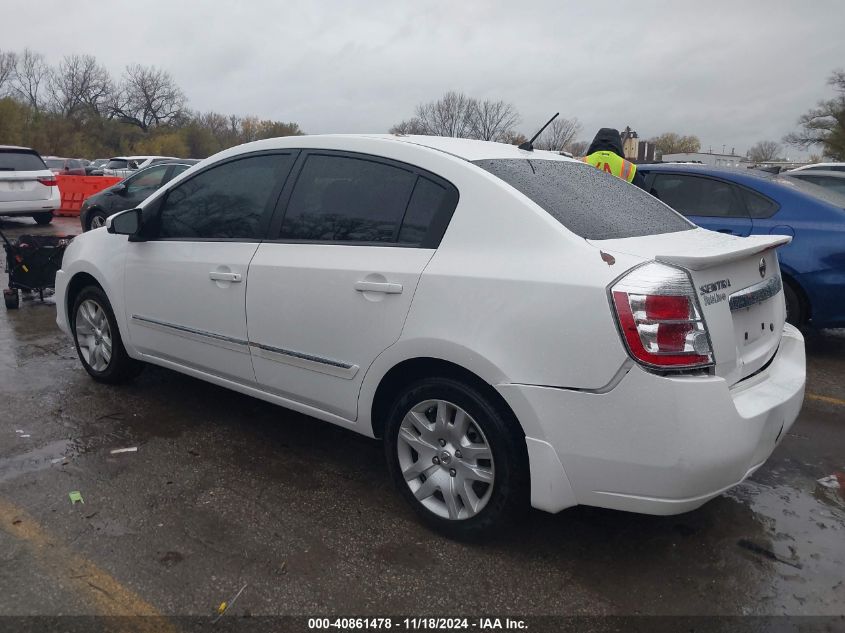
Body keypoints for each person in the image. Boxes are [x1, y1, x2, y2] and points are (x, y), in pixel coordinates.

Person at [582, 128, 646, 189]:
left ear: (595, 142)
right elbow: (643, 195)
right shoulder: (628, 168)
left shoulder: (583, 162)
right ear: (618, 143)